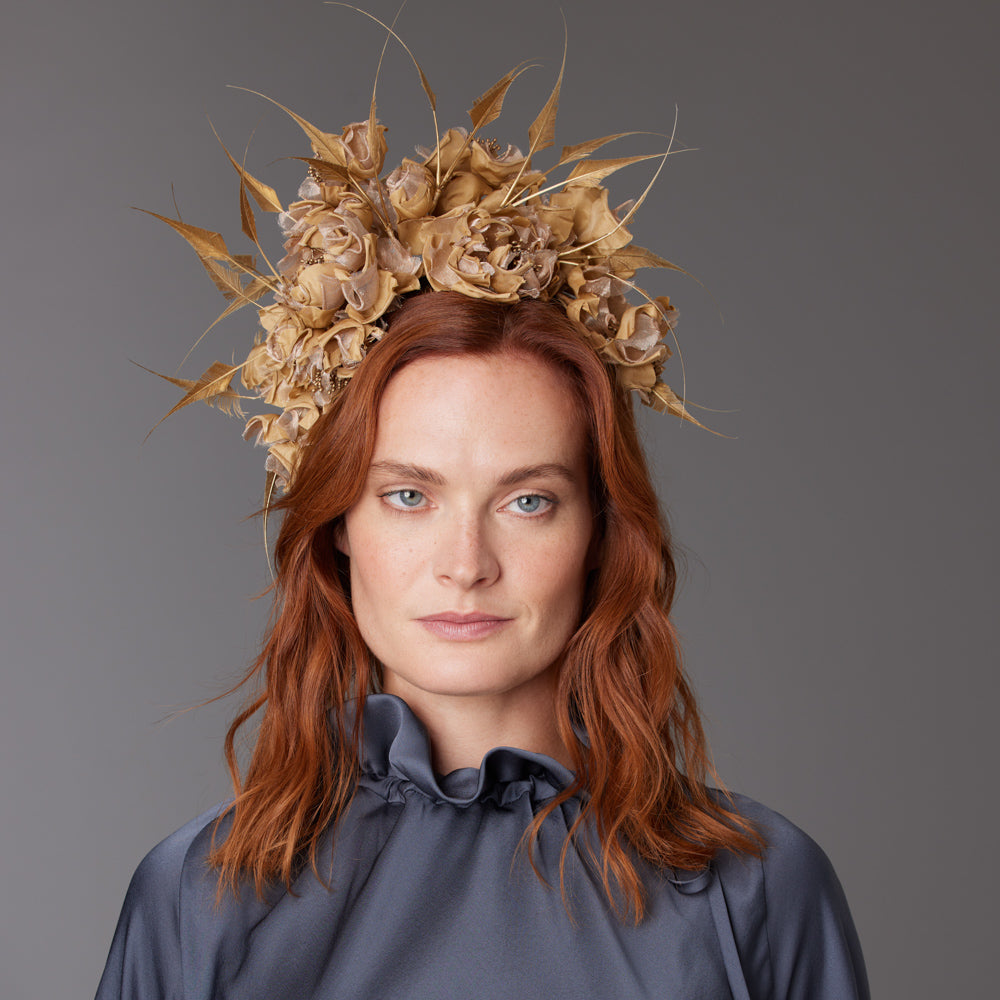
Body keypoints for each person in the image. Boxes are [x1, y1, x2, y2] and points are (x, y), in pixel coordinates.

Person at [96, 31, 869, 1000]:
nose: (465, 562)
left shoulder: (754, 892)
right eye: (409, 495)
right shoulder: (199, 903)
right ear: (339, 522)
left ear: (599, 532)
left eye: (527, 500)